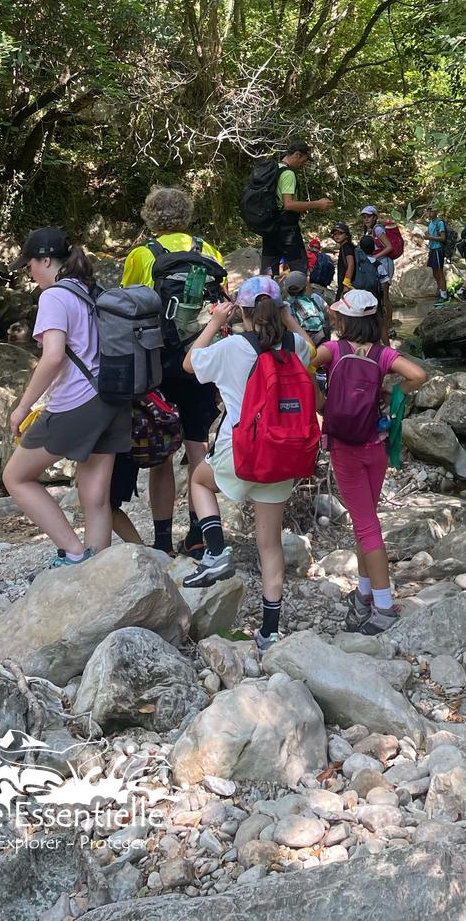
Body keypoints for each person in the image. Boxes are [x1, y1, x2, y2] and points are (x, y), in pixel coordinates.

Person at [184, 276, 315, 650]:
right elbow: (312, 349)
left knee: (199, 482)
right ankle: (269, 632)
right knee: (269, 545)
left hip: (240, 451)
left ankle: (214, 550)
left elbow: (190, 363)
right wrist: (289, 320)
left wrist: (214, 322)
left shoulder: (232, 347)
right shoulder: (295, 347)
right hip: (283, 453)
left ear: (241, 311)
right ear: (280, 310)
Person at [112, 186, 227, 558]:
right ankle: (199, 533)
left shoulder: (142, 255)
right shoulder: (208, 251)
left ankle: (162, 541)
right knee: (198, 446)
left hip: (156, 365)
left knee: (160, 451)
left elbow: (127, 308)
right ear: (186, 215)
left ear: (150, 215)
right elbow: (221, 306)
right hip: (200, 360)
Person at [3, 227, 130, 568]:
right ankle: (95, 573)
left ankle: (73, 553)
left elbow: (53, 356)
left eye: (29, 265)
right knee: (95, 497)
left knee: (15, 477)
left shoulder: (54, 297)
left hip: (76, 402)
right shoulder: (89, 289)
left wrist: (22, 407)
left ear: (46, 260)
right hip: (112, 398)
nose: (29, 272)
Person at [315, 290, 427, 634]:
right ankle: (364, 594)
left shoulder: (334, 350)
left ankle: (383, 607)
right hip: (375, 447)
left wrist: (321, 402)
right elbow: (418, 375)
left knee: (366, 526)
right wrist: (393, 393)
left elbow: (303, 362)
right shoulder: (383, 354)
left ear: (345, 320)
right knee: (367, 521)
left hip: (344, 448)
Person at [260, 142, 332, 276]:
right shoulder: (288, 174)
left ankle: (266, 289)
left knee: (268, 272)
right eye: (304, 160)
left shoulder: (273, 170)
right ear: (297, 155)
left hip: (269, 229)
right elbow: (288, 204)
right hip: (287, 231)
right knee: (300, 270)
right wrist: (317, 204)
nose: (303, 164)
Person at [360, 205, 394, 342]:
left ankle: (389, 327)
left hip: (384, 263)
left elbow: (389, 247)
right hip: (380, 263)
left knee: (385, 296)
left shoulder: (378, 229)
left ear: (375, 217)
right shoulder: (372, 230)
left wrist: (374, 258)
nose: (366, 219)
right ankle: (383, 326)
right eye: (364, 217)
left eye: (368, 216)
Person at [282, 268, 329, 345]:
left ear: (287, 289)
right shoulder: (315, 298)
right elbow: (330, 313)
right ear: (305, 288)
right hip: (322, 342)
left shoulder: (286, 305)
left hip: (302, 345)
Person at [426, 210, 454, 303]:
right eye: (428, 212)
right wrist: (428, 235)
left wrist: (429, 237)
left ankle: (444, 295)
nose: (429, 214)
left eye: (431, 212)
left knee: (439, 272)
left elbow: (443, 238)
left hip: (438, 249)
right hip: (432, 249)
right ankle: (441, 292)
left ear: (435, 212)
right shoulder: (431, 223)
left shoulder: (440, 223)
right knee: (435, 273)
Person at [332, 221, 357, 295]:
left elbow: (351, 265)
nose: (337, 236)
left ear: (346, 235)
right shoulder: (345, 247)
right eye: (335, 234)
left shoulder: (347, 247)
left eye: (340, 233)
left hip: (347, 286)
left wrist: (346, 285)